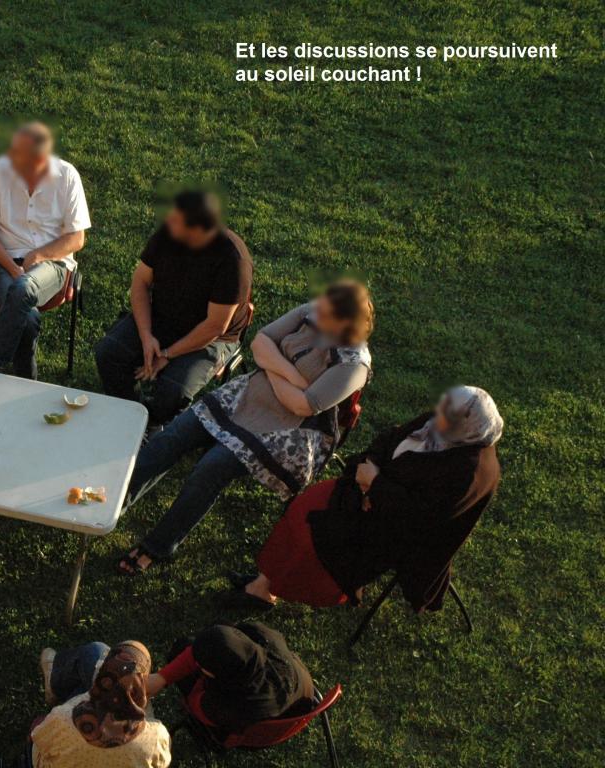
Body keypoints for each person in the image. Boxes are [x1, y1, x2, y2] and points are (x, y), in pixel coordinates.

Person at [118, 281, 375, 575]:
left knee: (209, 468)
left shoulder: (354, 365)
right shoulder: (311, 312)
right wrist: (289, 373)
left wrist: (271, 367)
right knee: (172, 437)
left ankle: (158, 546)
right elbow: (259, 343)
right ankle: (114, 500)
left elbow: (303, 407)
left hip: (284, 431)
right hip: (245, 396)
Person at [235, 386, 503, 610]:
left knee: (311, 538)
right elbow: (389, 438)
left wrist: (375, 485)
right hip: (362, 491)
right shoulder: (444, 419)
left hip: (389, 530)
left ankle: (264, 590)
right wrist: (368, 476)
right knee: (301, 508)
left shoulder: (468, 472)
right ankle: (265, 582)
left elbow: (421, 518)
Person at [95, 191, 253, 425]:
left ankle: (155, 423)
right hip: (163, 318)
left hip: (211, 339)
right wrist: (146, 336)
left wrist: (168, 355)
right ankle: (130, 415)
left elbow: (215, 326)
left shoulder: (232, 260)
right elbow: (140, 283)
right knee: (109, 353)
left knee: (173, 391)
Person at [0, 122, 91, 379]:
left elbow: (77, 238)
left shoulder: (67, 176)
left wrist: (39, 255)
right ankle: (26, 384)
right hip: (3, 261)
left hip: (51, 265)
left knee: (24, 288)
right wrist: (13, 267)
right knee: (28, 319)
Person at [30, 641, 171, 768]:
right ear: (142, 690)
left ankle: (56, 679)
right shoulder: (157, 737)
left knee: (95, 651)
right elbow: (161, 764)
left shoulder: (62, 718)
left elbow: (37, 738)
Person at [148, 621, 314, 742]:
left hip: (254, 732)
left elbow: (196, 703)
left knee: (180, 648)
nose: (197, 664)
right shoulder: (261, 634)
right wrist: (162, 677)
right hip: (298, 697)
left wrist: (176, 676)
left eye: (202, 666)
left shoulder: (227, 705)